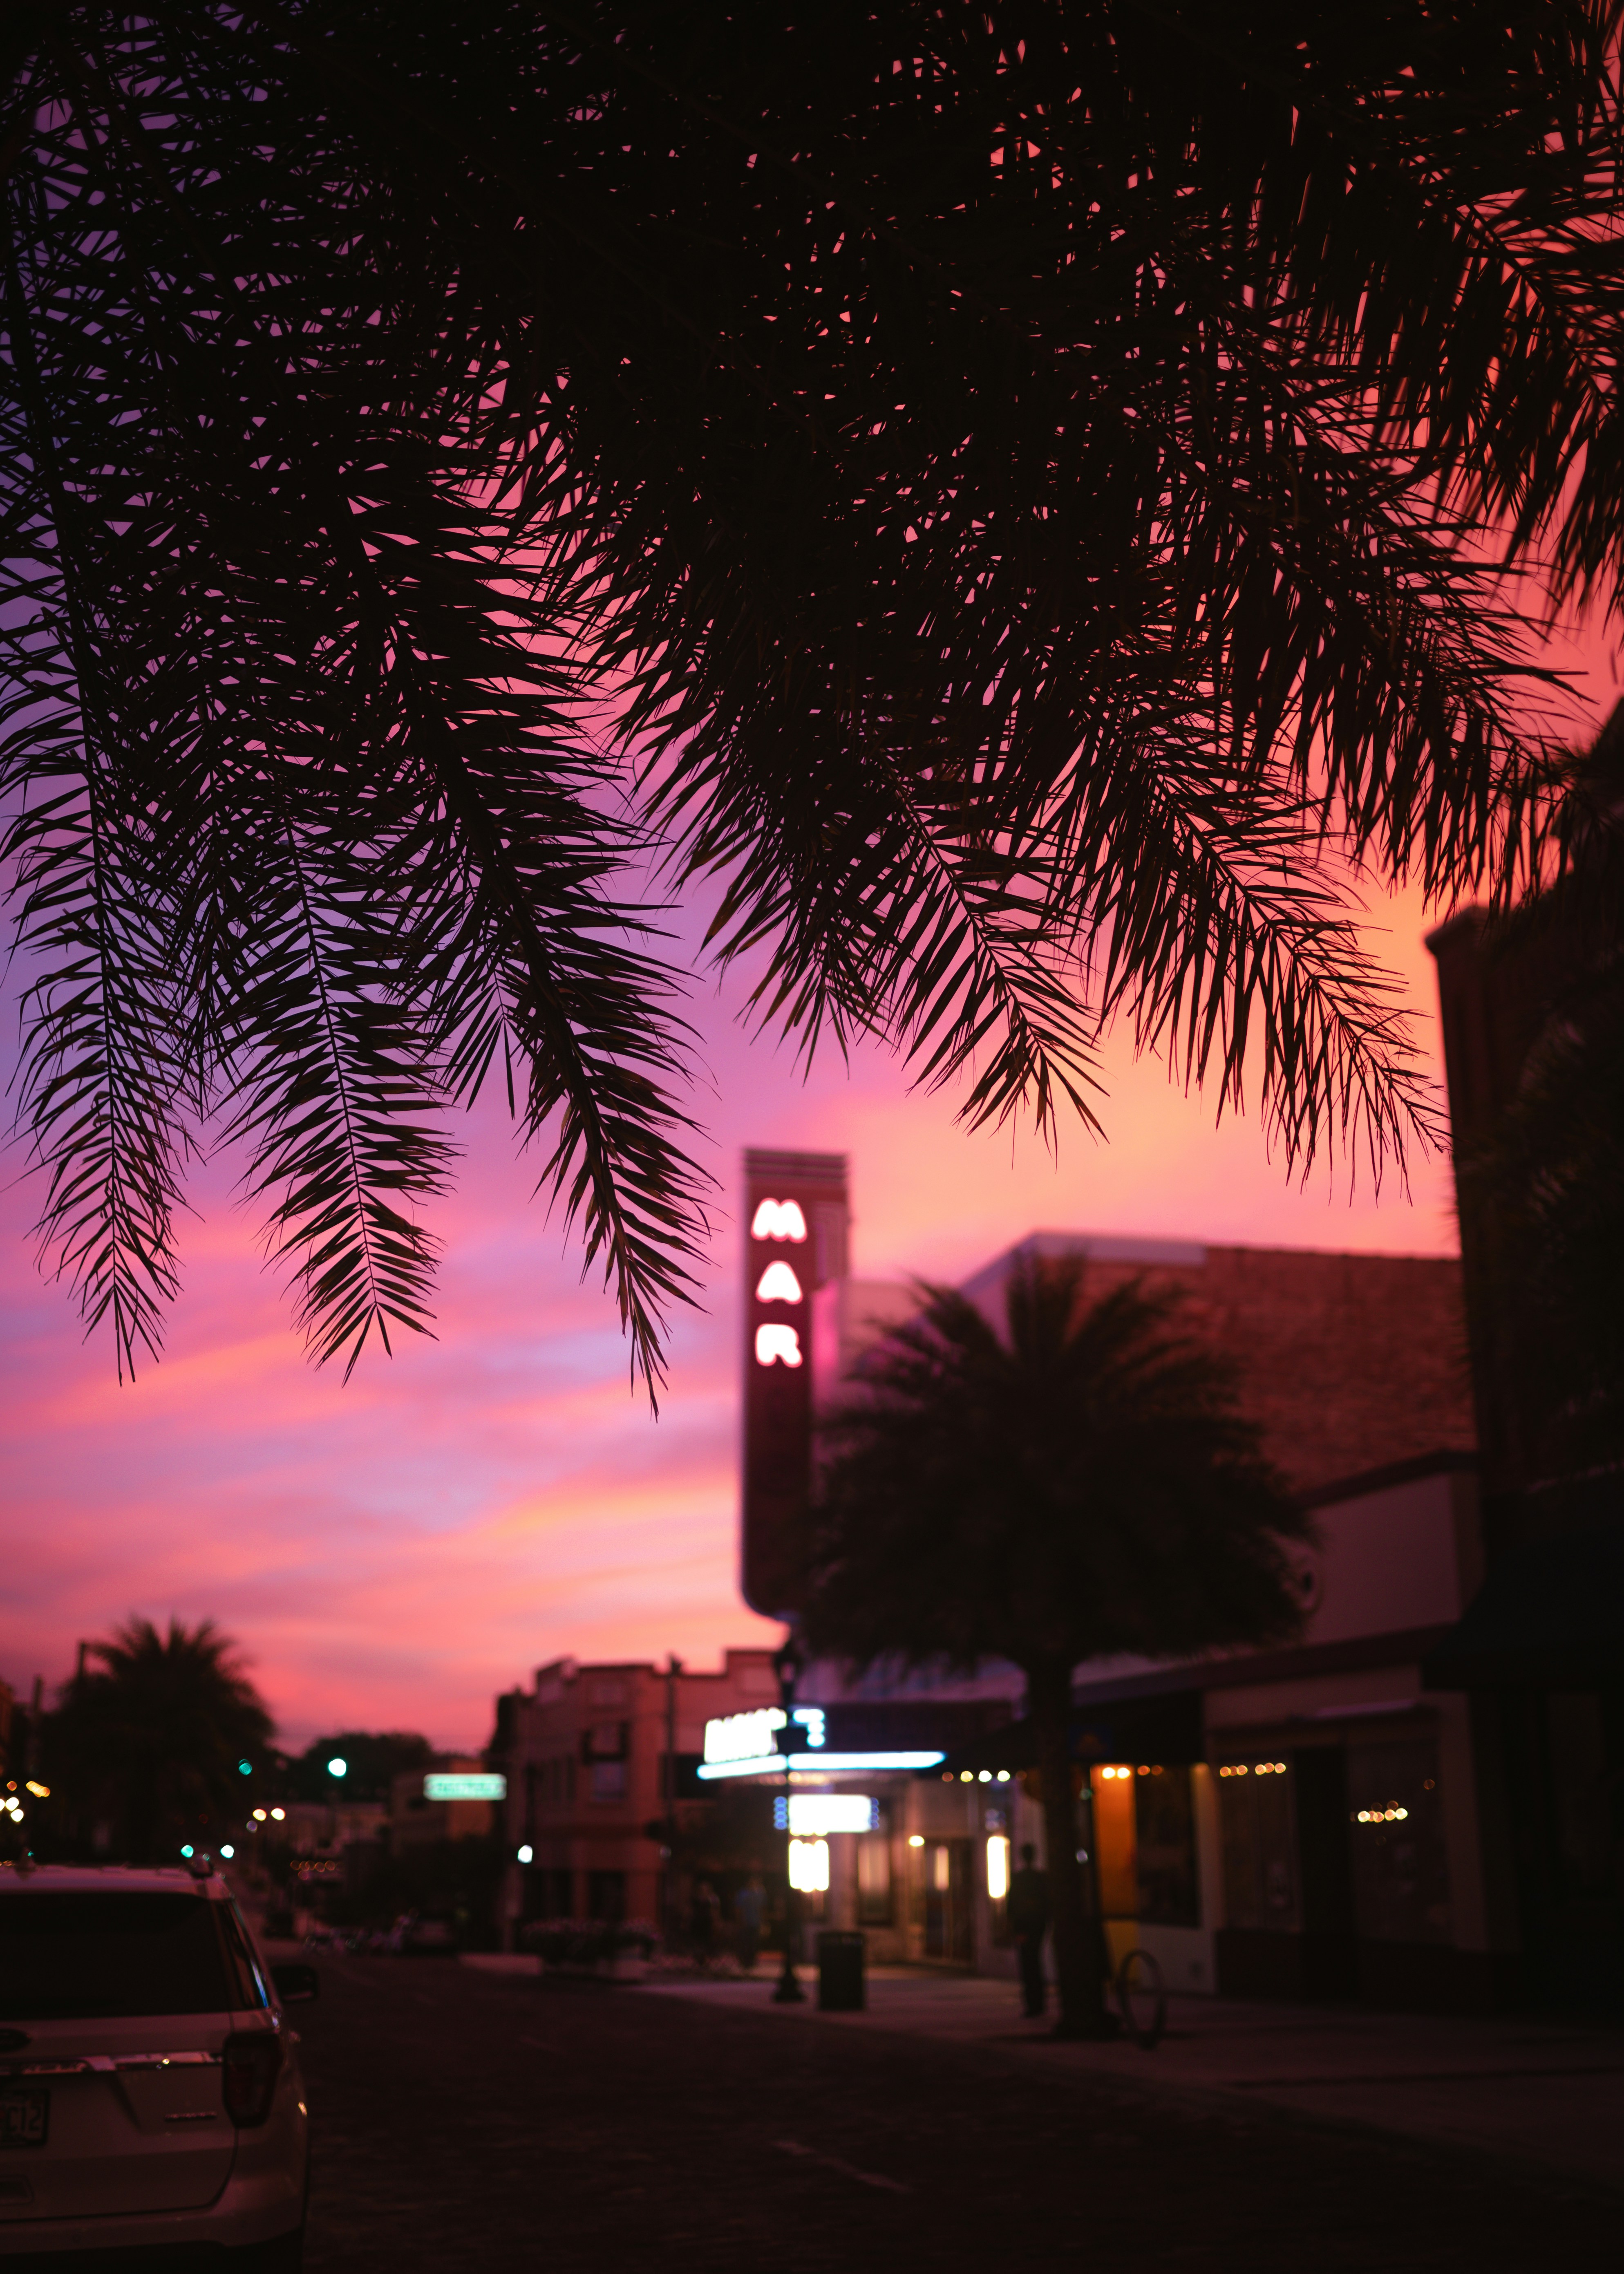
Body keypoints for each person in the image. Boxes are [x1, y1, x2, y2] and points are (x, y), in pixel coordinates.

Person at [1006, 1842, 1051, 2018]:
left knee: (1027, 1962)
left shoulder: (1019, 1878)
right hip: (1038, 1924)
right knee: (1035, 1960)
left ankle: (1033, 2004)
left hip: (1024, 1926)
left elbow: (1012, 1905)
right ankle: (1038, 2002)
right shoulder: (1041, 1878)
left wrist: (1012, 1924)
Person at [734, 1875, 766, 1971]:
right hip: (745, 1922)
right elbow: (738, 1909)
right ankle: (745, 1961)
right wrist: (739, 1921)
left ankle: (752, 1961)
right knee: (745, 1942)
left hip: (755, 1922)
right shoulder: (743, 1894)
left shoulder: (760, 1894)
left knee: (754, 1942)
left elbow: (762, 1909)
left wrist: (763, 1922)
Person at [688, 1879, 720, 1966]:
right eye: (702, 1889)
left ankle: (705, 1960)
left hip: (708, 1922)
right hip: (697, 1921)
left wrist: (716, 1922)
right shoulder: (696, 1898)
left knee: (707, 1942)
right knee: (697, 1941)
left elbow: (715, 1911)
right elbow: (691, 1910)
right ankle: (698, 1959)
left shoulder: (713, 1898)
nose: (704, 1890)